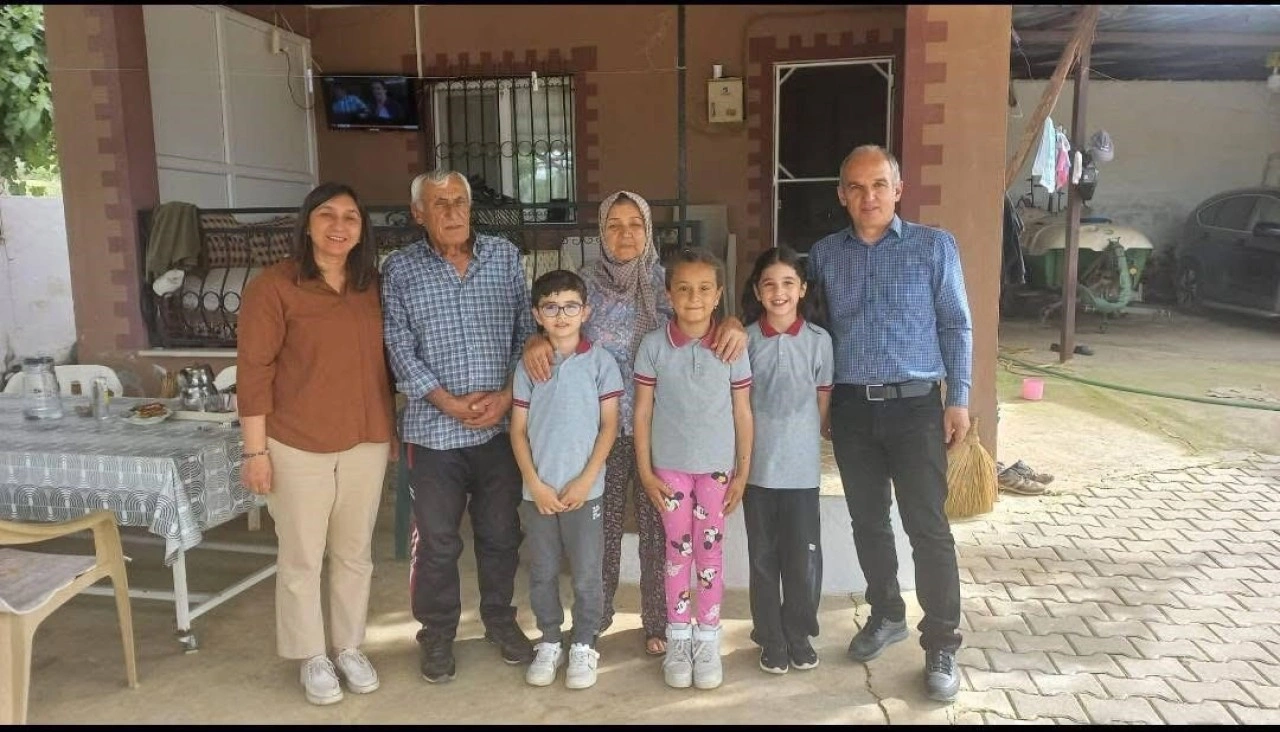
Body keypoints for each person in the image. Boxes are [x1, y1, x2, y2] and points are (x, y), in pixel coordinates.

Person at [521, 190, 747, 657]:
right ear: (601, 233)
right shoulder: (585, 284)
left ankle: (659, 621)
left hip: (659, 433)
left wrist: (734, 323)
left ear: (648, 231)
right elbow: (557, 322)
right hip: (596, 433)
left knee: (658, 530)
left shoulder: (668, 282)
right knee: (599, 534)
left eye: (635, 224)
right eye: (614, 225)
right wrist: (533, 340)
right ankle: (596, 617)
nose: (625, 234)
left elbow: (704, 314)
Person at [807, 144, 972, 703]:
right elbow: (812, 328)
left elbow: (956, 325)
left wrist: (959, 399)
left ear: (898, 190)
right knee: (868, 520)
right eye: (856, 187)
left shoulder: (933, 247)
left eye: (879, 185)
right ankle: (886, 612)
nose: (868, 196)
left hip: (916, 407)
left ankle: (942, 642)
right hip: (853, 409)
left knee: (928, 526)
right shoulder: (825, 255)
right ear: (841, 195)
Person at [237, 181, 396, 706]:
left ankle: (348, 646)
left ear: (362, 230)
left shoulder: (371, 286)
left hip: (365, 438)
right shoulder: (274, 287)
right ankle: (310, 654)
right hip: (296, 442)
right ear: (307, 224)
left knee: (354, 553)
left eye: (350, 217)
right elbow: (254, 371)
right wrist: (255, 451)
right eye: (327, 215)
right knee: (303, 556)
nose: (338, 226)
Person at [381, 169, 538, 684]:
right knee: (437, 541)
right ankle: (437, 632)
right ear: (418, 214)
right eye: (439, 204)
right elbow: (398, 346)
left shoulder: (503, 257)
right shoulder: (400, 269)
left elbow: (526, 334)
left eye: (459, 202)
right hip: (434, 433)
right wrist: (445, 401)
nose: (452, 212)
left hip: (498, 429)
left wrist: (507, 396)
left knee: (501, 533)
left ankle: (499, 620)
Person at [632, 247, 754, 690]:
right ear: (668, 294)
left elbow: (742, 412)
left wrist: (742, 472)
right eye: (683, 289)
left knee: (710, 556)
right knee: (676, 555)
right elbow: (642, 412)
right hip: (670, 472)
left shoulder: (732, 347)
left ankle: (707, 639)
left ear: (719, 295)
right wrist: (646, 472)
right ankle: (678, 639)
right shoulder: (653, 346)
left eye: (704, 289)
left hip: (717, 472)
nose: (694, 298)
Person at [510, 269, 624, 691]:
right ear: (537, 315)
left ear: (586, 312)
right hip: (538, 493)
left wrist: (586, 480)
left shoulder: (601, 363)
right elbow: (517, 431)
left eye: (571, 306)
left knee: (587, 572)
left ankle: (584, 642)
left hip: (585, 491)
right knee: (541, 570)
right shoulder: (529, 366)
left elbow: (609, 426)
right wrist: (534, 484)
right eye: (551, 307)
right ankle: (550, 639)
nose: (561, 315)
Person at [739, 245, 834, 676]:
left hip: (801, 473)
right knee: (763, 559)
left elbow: (822, 401)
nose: (779, 292)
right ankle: (770, 637)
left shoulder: (819, 341)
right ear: (757, 291)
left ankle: (798, 634)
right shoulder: (744, 340)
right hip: (758, 471)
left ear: (803, 289)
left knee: (803, 559)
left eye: (788, 283)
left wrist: (805, 442)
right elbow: (739, 405)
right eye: (769, 284)